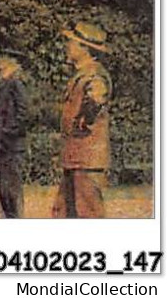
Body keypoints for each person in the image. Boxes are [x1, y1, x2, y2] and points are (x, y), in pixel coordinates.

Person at [52, 21, 111, 218]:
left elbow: (97, 95)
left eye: (71, 42)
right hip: (76, 158)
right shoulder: (82, 74)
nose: (67, 46)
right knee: (64, 214)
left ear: (85, 49)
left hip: (87, 160)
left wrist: (88, 114)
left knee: (87, 216)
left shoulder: (94, 74)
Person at [0, 50, 28, 218]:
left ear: (12, 66)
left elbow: (23, 112)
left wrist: (9, 131)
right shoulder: (4, 85)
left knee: (10, 189)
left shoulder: (15, 84)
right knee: (2, 188)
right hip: (1, 144)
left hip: (11, 145)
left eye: (3, 63)